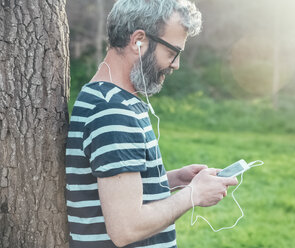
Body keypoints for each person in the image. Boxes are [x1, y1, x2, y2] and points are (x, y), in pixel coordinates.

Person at [65, 0, 238, 247]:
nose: (175, 64)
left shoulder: (104, 97)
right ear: (139, 41)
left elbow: (111, 191)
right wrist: (194, 194)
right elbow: (126, 228)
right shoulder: (113, 111)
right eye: (172, 52)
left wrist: (173, 180)